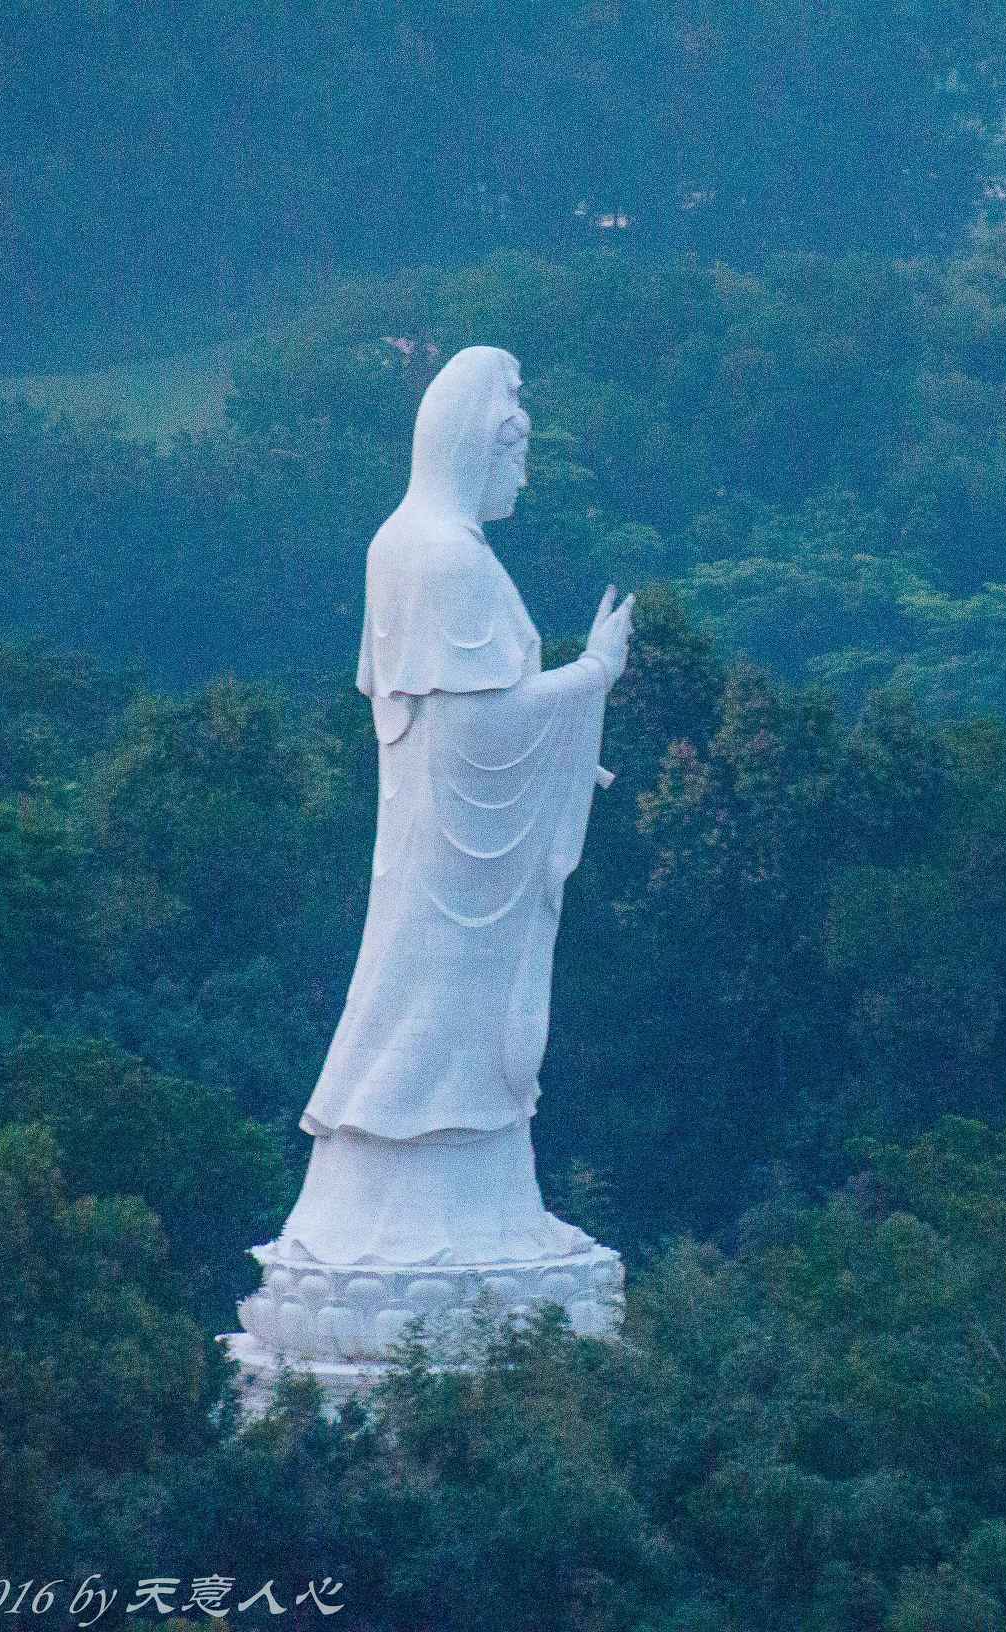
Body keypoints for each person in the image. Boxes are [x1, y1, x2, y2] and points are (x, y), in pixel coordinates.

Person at [272, 343, 635, 1266]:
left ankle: (483, 1203)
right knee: (440, 1020)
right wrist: (595, 672)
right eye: (515, 452)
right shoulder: (443, 561)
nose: (524, 471)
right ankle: (428, 1216)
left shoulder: (403, 544)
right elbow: (477, 734)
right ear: (476, 446)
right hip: (458, 861)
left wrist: (559, 746)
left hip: (443, 846)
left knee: (434, 1013)